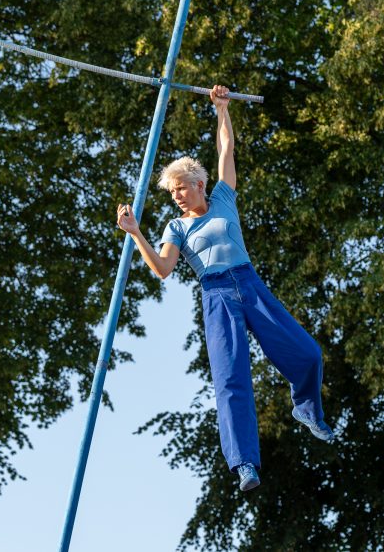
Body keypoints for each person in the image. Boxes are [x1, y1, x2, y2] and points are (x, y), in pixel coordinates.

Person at [116, 85, 333, 493]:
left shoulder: (222, 198)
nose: (177, 197)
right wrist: (135, 234)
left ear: (198, 183)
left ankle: (306, 409)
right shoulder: (176, 227)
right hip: (216, 296)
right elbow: (162, 269)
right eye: (172, 192)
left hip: (249, 283)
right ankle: (245, 464)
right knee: (231, 381)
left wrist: (221, 109)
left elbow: (226, 149)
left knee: (308, 354)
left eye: (181, 188)